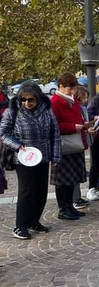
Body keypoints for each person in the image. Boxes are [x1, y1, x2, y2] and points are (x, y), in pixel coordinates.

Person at [0, 81, 61, 240]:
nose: (26, 103)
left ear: (38, 99)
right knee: (26, 191)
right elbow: (4, 133)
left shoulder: (47, 109)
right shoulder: (13, 110)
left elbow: (55, 134)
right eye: (23, 99)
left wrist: (55, 157)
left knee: (41, 191)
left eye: (30, 100)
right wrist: (18, 146)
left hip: (43, 155)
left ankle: (34, 221)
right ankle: (20, 226)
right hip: (24, 157)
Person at [50, 73, 88, 221]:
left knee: (72, 178)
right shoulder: (55, 102)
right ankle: (63, 209)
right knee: (62, 181)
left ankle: (70, 206)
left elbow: (77, 117)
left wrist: (85, 126)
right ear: (61, 86)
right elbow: (54, 125)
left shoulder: (71, 99)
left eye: (73, 88)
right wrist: (73, 127)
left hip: (75, 143)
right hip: (63, 145)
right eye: (69, 88)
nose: (72, 91)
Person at [72, 86, 91, 209]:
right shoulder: (75, 108)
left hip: (80, 141)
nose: (86, 99)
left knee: (78, 172)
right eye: (84, 97)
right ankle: (74, 199)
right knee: (74, 172)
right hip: (74, 142)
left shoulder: (82, 108)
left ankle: (77, 197)